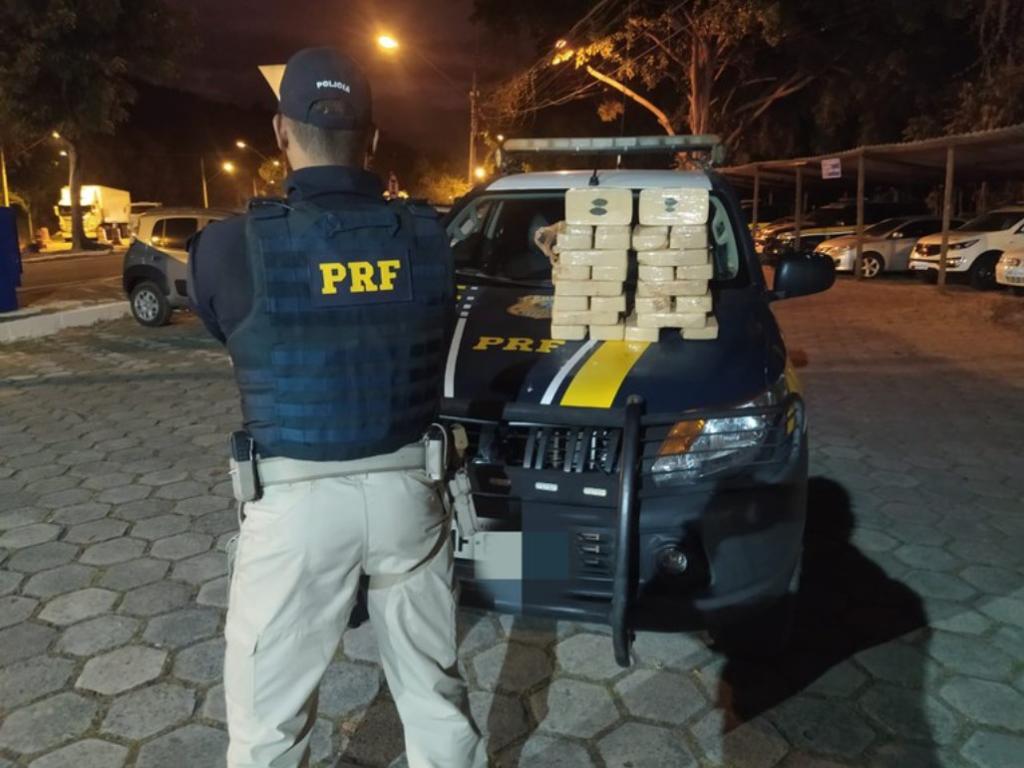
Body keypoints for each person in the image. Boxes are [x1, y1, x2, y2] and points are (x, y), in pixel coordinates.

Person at [188, 47, 486, 768]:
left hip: (293, 513)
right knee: (436, 704)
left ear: (280, 132)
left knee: (268, 733)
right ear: (374, 139)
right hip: (411, 496)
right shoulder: (431, 238)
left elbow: (224, 324)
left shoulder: (228, 246)